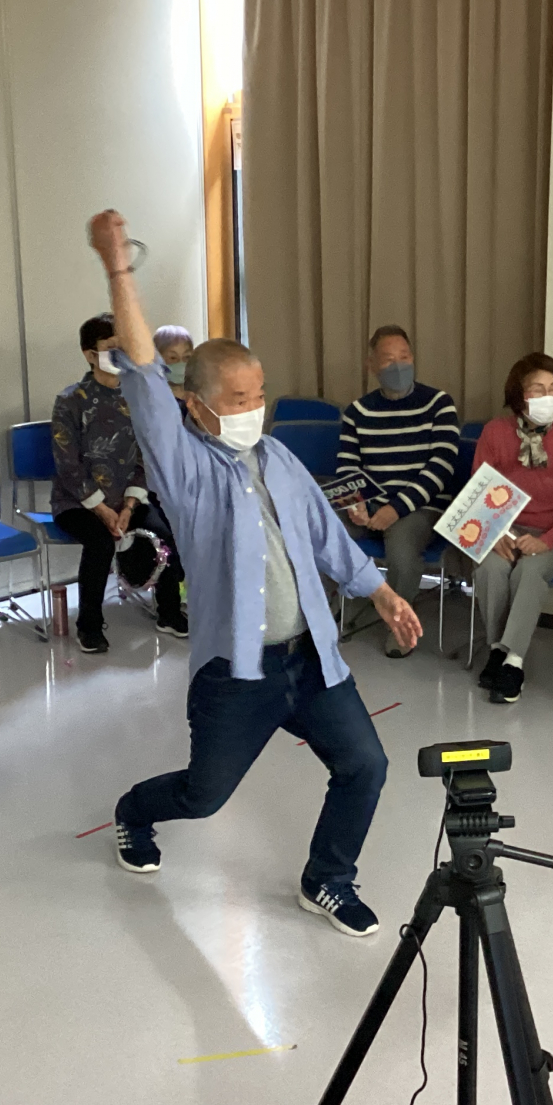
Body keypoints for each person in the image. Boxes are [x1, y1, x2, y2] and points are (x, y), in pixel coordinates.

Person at [88, 208, 423, 936]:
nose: (252, 410)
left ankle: (326, 879)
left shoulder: (278, 457)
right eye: (238, 401)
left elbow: (325, 535)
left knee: (365, 765)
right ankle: (133, 811)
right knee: (203, 797)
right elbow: (143, 378)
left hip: (313, 658)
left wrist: (381, 591)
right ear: (198, 405)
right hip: (237, 674)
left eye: (259, 395)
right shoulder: (184, 468)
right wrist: (119, 269)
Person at [51, 313, 187, 651]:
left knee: (166, 534)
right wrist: (102, 509)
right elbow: (68, 465)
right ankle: (89, 626)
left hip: (128, 499)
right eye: (112, 347)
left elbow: (144, 455)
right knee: (99, 543)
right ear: (90, 354)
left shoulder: (137, 397)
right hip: (78, 504)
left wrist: (128, 506)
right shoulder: (70, 401)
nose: (121, 354)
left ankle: (169, 613)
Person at [472, 354, 553, 704]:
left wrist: (547, 541)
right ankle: (497, 649)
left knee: (529, 569)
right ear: (519, 394)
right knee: (490, 568)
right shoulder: (495, 432)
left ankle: (513, 662)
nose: (549, 396)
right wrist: (494, 533)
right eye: (538, 389)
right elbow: (479, 492)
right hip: (508, 528)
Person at [339, 325, 462, 657]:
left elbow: (441, 467)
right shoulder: (357, 412)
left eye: (404, 357)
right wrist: (354, 504)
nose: (398, 366)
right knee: (320, 529)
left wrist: (396, 508)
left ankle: (399, 625)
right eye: (388, 360)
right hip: (371, 505)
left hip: (422, 507)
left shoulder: (438, 404)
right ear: (371, 366)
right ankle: (322, 613)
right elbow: (347, 468)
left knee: (402, 546)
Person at [156, 323, 194, 406]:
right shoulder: (155, 401)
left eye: (187, 357)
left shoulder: (198, 398)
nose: (181, 362)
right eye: (173, 358)